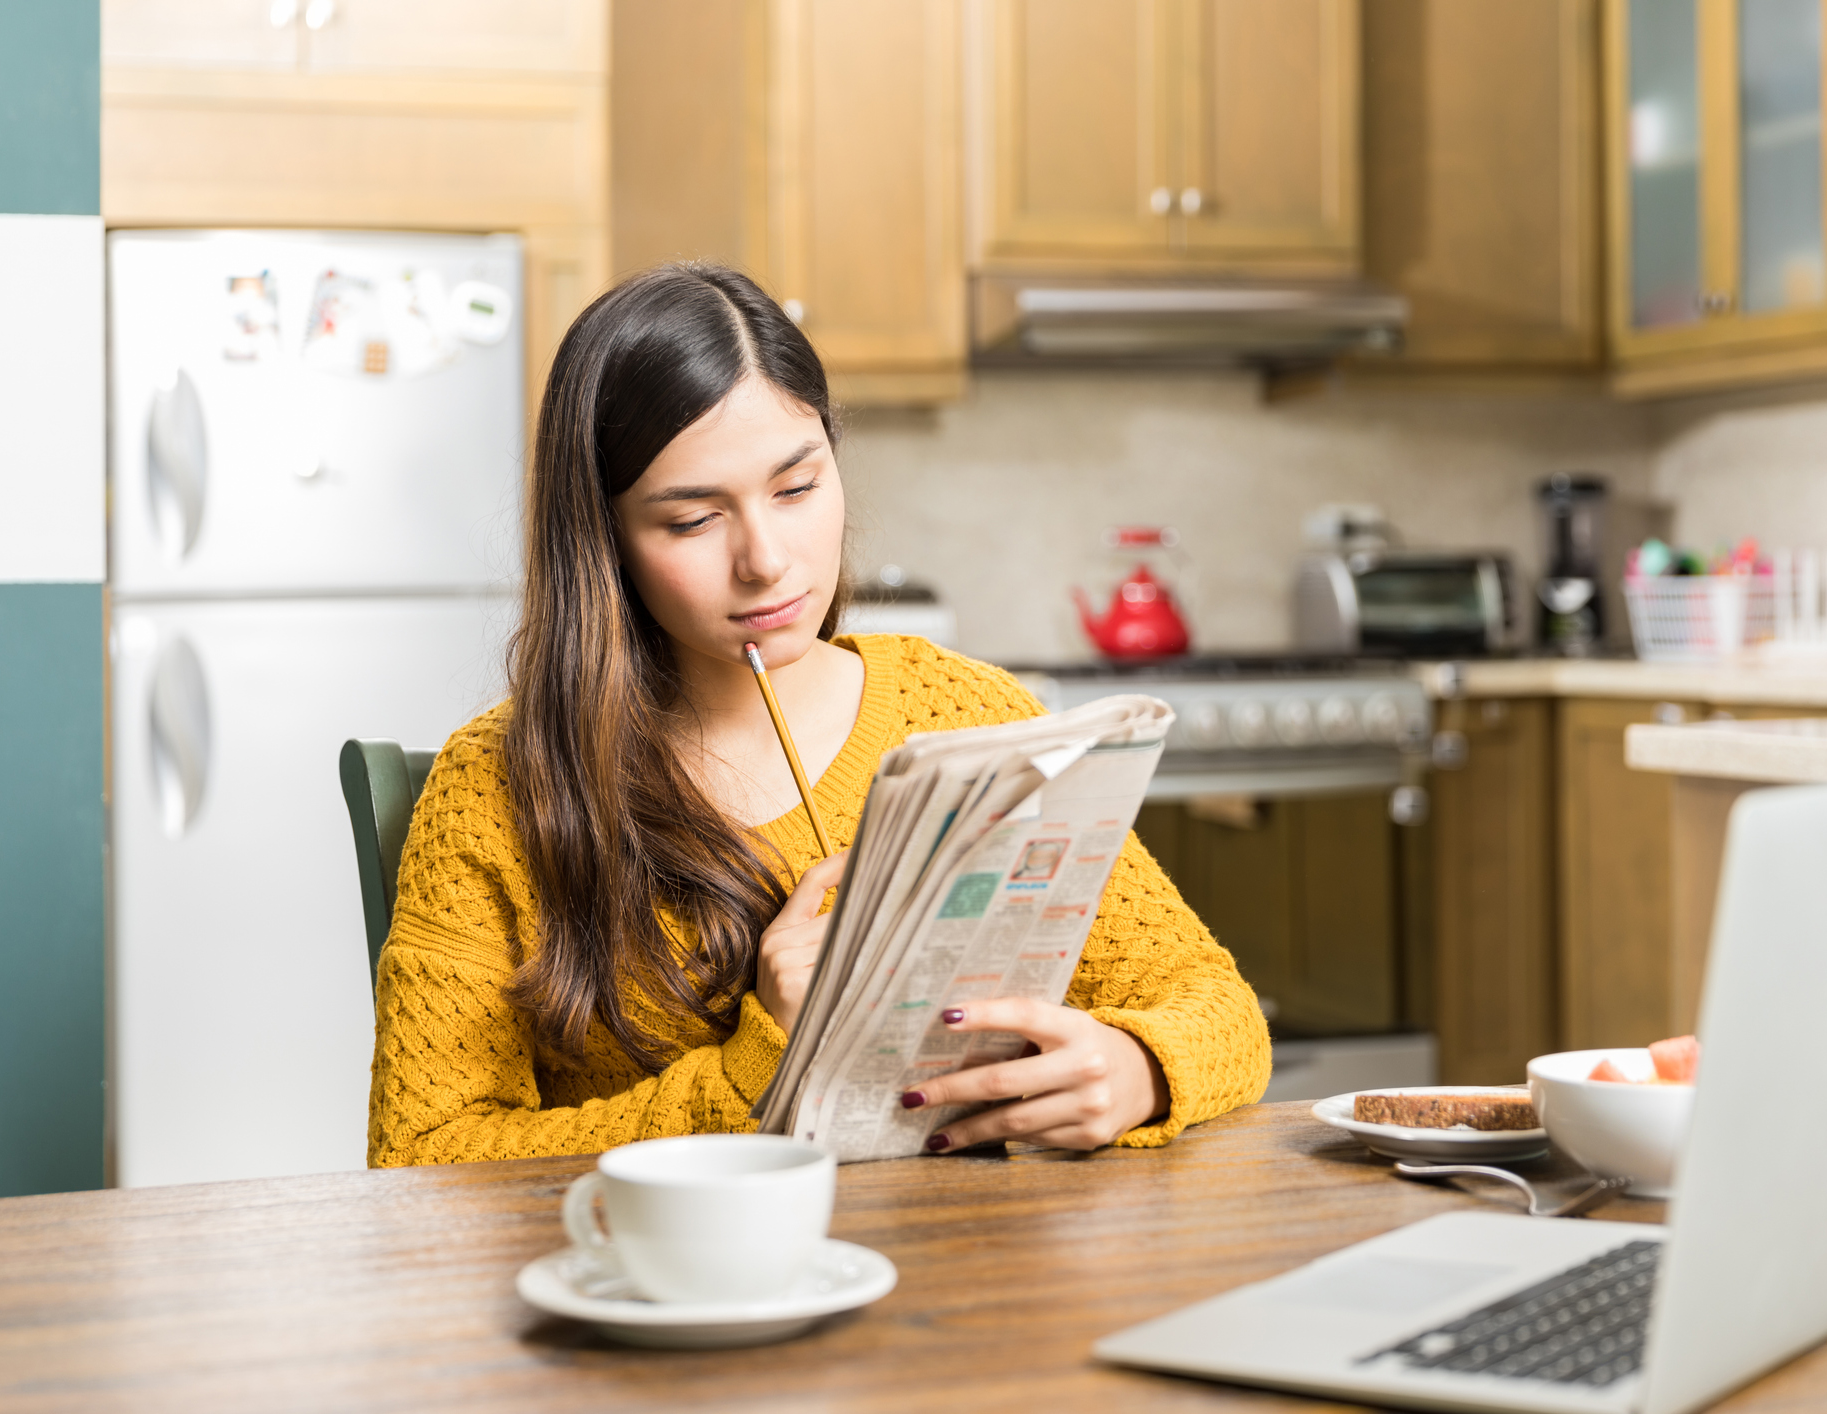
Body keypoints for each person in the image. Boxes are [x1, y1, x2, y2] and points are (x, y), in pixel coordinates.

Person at [367, 264, 1270, 1164]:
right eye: (690, 521)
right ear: (602, 540)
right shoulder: (495, 786)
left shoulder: (971, 717)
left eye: (796, 489)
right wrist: (758, 1058)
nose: (765, 561)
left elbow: (1212, 1004)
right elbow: (422, 1157)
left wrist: (1135, 1067)